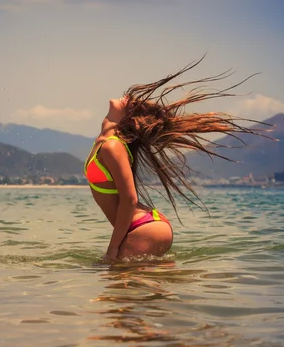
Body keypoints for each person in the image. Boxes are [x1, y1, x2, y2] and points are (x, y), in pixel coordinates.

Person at [84, 59, 270, 261]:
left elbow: (130, 199)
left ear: (130, 119)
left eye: (134, 104)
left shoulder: (113, 146)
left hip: (144, 228)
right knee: (145, 288)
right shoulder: (106, 143)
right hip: (146, 227)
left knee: (116, 288)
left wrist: (112, 249)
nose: (128, 97)